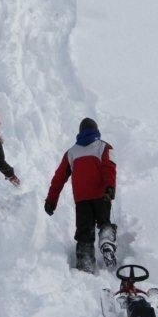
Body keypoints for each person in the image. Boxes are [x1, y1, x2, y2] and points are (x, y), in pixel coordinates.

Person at [44, 117, 117, 272]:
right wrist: (110, 187)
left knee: (84, 232)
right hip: (101, 195)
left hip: (82, 200)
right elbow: (109, 167)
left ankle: (85, 264)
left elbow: (58, 178)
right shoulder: (104, 147)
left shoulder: (71, 152)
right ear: (96, 130)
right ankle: (106, 241)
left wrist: (51, 200)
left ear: (80, 132)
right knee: (104, 222)